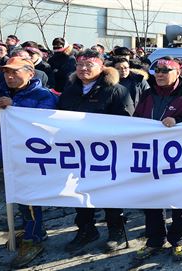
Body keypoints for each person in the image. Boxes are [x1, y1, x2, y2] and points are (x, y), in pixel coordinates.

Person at [57, 49, 134, 252]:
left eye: (89, 65)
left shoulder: (115, 90)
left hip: (106, 153)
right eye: (80, 65)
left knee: (109, 193)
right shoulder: (70, 89)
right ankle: (86, 230)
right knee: (78, 192)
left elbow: (127, 123)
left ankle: (116, 230)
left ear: (101, 67)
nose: (83, 69)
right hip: (76, 152)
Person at [0, 56, 58, 268]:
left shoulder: (43, 95)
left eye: (15, 72)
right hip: (9, 153)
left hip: (32, 156)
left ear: (30, 73)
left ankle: (33, 238)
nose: (9, 76)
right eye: (7, 72)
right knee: (18, 195)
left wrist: (14, 106)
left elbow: (45, 122)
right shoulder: (0, 91)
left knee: (30, 197)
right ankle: (33, 229)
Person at [134, 57, 182, 262]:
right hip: (151, 155)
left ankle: (178, 242)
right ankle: (154, 240)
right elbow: (137, 119)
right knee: (152, 200)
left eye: (165, 70)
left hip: (179, 158)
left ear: (177, 73)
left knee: (179, 202)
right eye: (156, 70)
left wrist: (178, 120)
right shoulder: (148, 93)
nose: (159, 73)